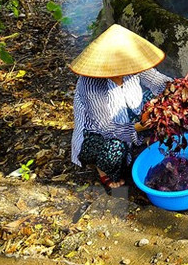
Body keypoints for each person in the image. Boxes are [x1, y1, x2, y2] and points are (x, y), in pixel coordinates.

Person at [69, 24, 172, 192]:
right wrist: (139, 127)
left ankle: (140, 143)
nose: (122, 70)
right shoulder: (91, 82)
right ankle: (103, 170)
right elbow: (105, 127)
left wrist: (178, 89)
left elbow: (158, 81)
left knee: (157, 103)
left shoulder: (133, 65)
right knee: (114, 150)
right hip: (96, 134)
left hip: (128, 116)